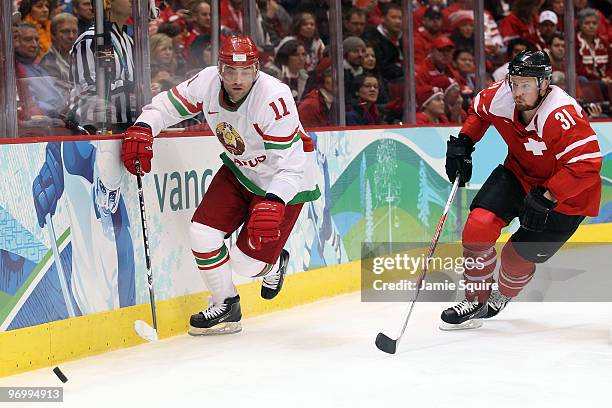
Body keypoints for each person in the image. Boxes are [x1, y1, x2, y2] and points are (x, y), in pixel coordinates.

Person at [120, 36, 321, 335]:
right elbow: (167, 106)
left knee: (245, 265)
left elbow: (290, 165)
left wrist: (275, 201)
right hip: (239, 171)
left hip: (283, 182)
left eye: (245, 71)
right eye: (230, 71)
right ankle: (226, 304)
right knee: (202, 234)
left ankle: (274, 263)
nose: (237, 80)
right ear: (219, 68)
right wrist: (144, 126)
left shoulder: (273, 98)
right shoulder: (207, 83)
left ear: (256, 69)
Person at [440, 51, 602, 329]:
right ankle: (475, 299)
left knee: (516, 256)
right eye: (513, 82)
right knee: (478, 226)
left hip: (567, 197)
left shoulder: (560, 114)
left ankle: (502, 294)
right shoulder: (500, 95)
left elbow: (587, 165)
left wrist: (550, 196)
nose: (517, 91)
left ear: (544, 84)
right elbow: (479, 112)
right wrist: (464, 142)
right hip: (518, 174)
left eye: (525, 84)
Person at [68, 0, 135, 131]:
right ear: (108, 2)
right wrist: (130, 86)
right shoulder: (90, 39)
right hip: (92, 127)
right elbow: (87, 87)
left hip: (125, 123)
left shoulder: (128, 40)